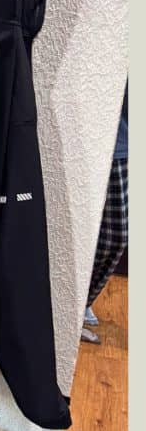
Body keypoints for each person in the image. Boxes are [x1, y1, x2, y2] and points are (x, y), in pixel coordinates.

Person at [82, 83, 128, 344]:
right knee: (114, 236)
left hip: (123, 148)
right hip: (108, 147)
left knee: (113, 237)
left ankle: (80, 301)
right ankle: (76, 306)